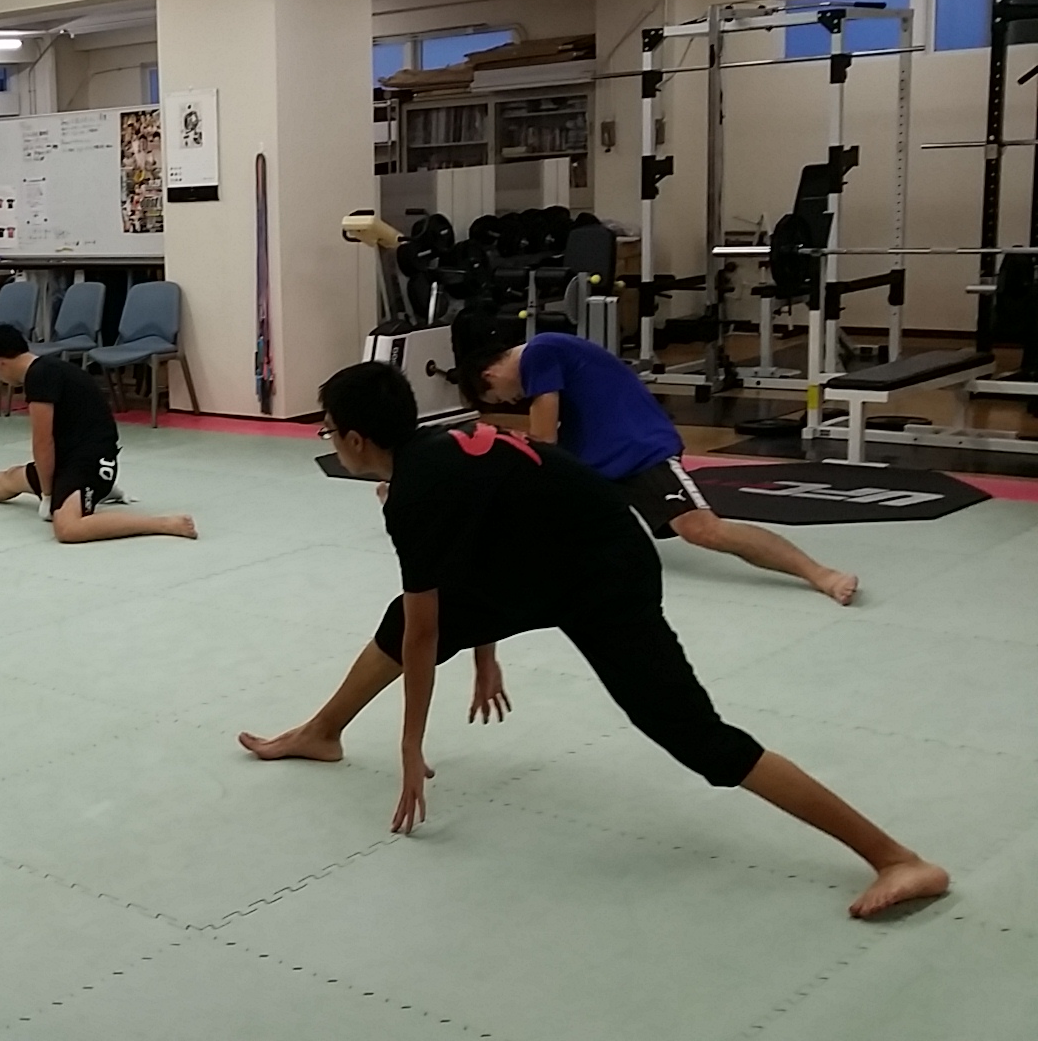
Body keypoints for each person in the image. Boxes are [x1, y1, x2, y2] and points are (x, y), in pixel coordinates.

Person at [238, 362, 947, 919]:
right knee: (404, 617)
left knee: (695, 737)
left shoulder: (416, 490)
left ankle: (897, 858)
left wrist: (410, 747)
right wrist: (484, 648)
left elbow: (428, 632)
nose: (328, 440)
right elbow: (481, 546)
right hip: (560, 557)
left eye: (327, 431)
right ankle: (321, 733)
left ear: (356, 439)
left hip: (605, 576)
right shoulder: (438, 451)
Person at [455, 319, 857, 605]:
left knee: (702, 530)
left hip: (638, 452)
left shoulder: (538, 352)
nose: (512, 400)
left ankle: (821, 574)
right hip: (598, 462)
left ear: (490, 374)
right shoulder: (550, 360)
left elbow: (544, 439)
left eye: (501, 397)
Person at [0, 324, 196, 544]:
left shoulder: (40, 377)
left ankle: (162, 523)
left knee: (67, 528)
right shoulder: (46, 368)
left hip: (93, 461)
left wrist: (48, 495)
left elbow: (42, 442)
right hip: (73, 456)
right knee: (12, 478)